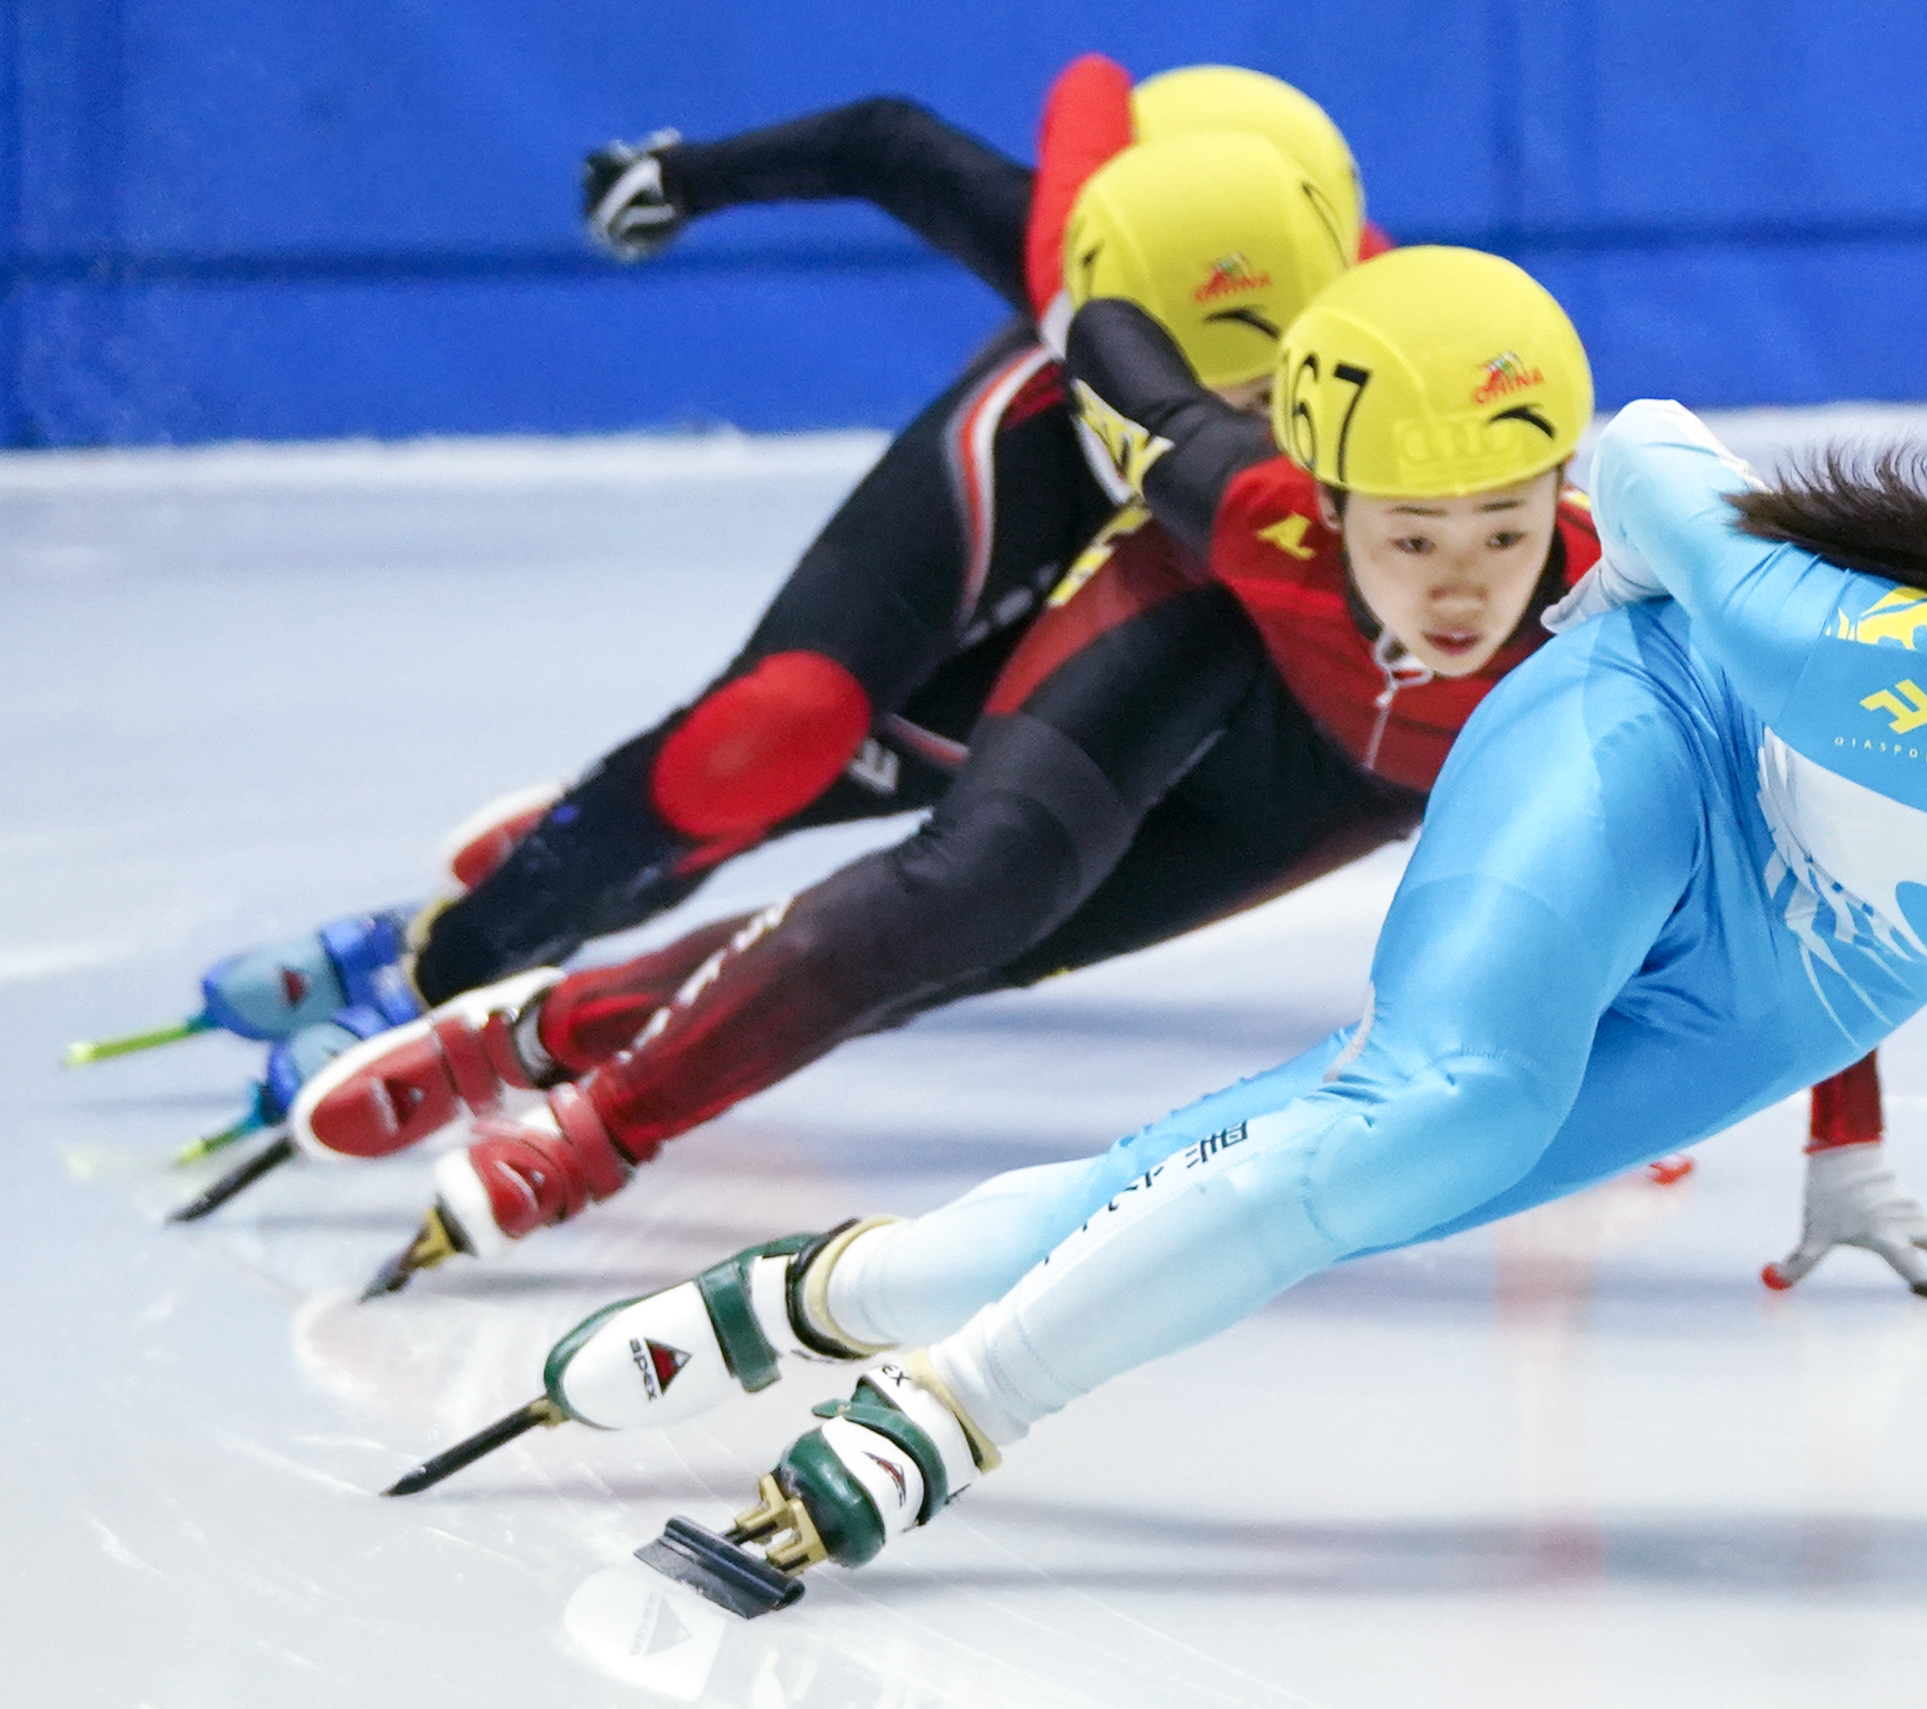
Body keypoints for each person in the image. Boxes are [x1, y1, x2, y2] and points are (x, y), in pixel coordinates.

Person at [585, 378, 1927, 1611]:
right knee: (1447, 1102)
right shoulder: (1838, 648)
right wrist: (1631, 579)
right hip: (1645, 738)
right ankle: (932, 1421)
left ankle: (820, 1297)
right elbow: (1645, 447)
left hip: (1802, 968)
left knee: (1320, 1175)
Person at [315, 248, 1927, 1315]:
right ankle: (592, 1128)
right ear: (1323, 502)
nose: (1463, 583)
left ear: (1561, 486)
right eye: (1408, 537)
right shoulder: (1238, 502)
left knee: (972, 961)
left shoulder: (1636, 612)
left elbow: (1816, 873)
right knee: (958, 893)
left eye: (1499, 528)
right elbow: (1095, 313)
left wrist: (1842, 1147)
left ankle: (536, 1025)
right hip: (1202, 648)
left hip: (1353, 785)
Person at [91, 61, 1360, 1154]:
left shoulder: (1376, 349)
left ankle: (532, 890)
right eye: (1164, 387)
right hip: (1032, 467)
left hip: (1173, 583)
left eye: (1256, 402)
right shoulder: (1073, 252)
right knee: (776, 729)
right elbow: (888, 142)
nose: (1195, 437)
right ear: (1089, 295)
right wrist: (684, 175)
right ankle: (461, 950)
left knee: (857, 786)